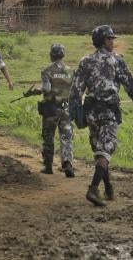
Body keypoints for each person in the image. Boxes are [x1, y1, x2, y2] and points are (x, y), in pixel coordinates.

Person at [69, 25, 133, 206]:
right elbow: (129, 82)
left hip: (91, 112)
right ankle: (93, 189)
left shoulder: (85, 61)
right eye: (110, 39)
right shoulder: (116, 60)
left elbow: (76, 90)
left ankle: (108, 188)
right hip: (109, 111)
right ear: (103, 40)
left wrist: (75, 112)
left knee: (99, 150)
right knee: (106, 149)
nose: (113, 42)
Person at [33, 44, 75, 177]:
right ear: (63, 55)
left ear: (51, 55)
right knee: (66, 137)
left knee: (48, 136)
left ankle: (48, 165)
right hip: (66, 108)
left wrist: (37, 90)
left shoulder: (47, 71)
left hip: (51, 108)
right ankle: (67, 163)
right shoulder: (70, 71)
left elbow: (46, 88)